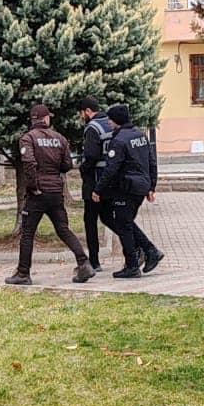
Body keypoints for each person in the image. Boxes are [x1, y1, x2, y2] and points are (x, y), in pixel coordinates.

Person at [5, 102, 93, 285]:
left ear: (33, 119)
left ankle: (23, 273)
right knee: (63, 229)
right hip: (55, 191)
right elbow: (67, 165)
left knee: (28, 233)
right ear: (45, 119)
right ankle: (84, 263)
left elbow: (28, 162)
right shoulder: (59, 138)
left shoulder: (28, 138)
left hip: (37, 193)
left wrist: (33, 186)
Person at [91, 103, 164, 279]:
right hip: (141, 187)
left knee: (124, 226)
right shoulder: (140, 135)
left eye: (110, 119)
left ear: (116, 120)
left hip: (126, 187)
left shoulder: (119, 140)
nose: (108, 122)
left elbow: (111, 169)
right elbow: (151, 161)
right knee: (127, 223)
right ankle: (147, 252)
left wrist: (98, 189)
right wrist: (151, 186)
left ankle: (135, 262)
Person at [77, 96, 114, 273]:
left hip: (94, 181)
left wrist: (82, 168)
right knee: (109, 217)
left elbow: (91, 156)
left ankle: (95, 260)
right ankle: (137, 247)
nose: (82, 116)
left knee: (90, 221)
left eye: (82, 113)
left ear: (88, 112)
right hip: (109, 179)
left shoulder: (92, 128)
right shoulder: (109, 124)